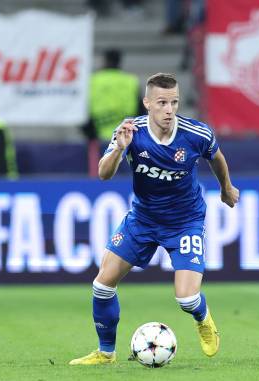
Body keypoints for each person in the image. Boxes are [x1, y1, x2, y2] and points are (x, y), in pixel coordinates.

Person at [70, 73, 239, 365]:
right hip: (143, 219)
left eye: (174, 102)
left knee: (186, 298)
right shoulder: (129, 131)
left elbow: (217, 158)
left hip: (185, 221)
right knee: (102, 285)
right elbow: (103, 173)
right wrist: (121, 149)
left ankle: (202, 317)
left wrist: (226, 189)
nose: (169, 109)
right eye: (162, 102)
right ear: (147, 103)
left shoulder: (196, 134)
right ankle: (106, 352)